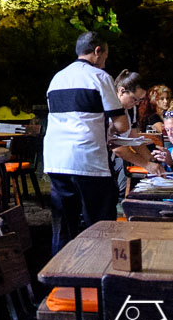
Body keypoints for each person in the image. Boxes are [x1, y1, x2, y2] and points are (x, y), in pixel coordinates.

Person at [43, 31, 127, 253]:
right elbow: (121, 124)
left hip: (56, 159)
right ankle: (99, 266)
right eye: (105, 55)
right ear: (97, 51)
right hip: (88, 159)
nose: (105, 60)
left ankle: (61, 270)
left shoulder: (56, 79)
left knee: (63, 226)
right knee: (99, 223)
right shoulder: (100, 77)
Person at [110, 70, 164, 180]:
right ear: (121, 91)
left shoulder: (131, 109)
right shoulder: (110, 107)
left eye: (140, 100)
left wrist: (152, 160)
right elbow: (117, 147)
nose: (137, 103)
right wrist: (147, 165)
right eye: (134, 99)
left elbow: (134, 138)